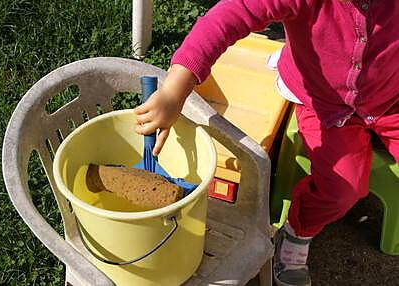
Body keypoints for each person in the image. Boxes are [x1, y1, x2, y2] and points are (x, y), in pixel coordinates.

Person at [134, 1, 399, 285]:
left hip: (391, 100)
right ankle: (298, 230)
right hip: (324, 107)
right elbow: (229, 16)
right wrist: (176, 90)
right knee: (341, 189)